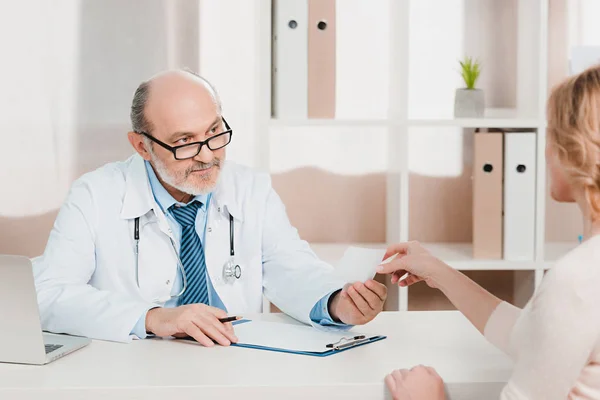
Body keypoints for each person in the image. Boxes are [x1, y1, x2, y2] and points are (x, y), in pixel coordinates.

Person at [33, 70, 387, 344]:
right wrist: (152, 318)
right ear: (141, 146)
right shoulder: (94, 195)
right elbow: (49, 295)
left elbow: (289, 267)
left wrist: (335, 303)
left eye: (214, 131)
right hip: (134, 368)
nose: (207, 155)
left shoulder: (251, 188)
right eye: (184, 142)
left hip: (233, 361)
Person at [379, 64, 600, 399]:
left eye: (552, 135)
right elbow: (534, 339)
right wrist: (439, 271)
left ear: (576, 152)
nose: (545, 152)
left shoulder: (577, 280)